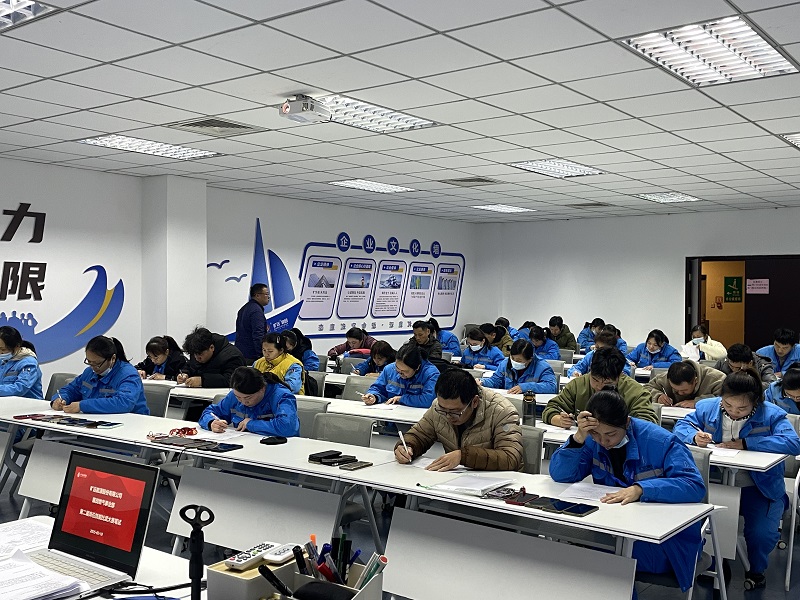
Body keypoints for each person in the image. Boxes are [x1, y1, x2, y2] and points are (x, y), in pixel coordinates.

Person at [550, 389, 705, 592]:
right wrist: (578, 437)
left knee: (603, 560)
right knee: (574, 554)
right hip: (615, 528)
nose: (603, 442)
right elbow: (561, 475)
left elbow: (693, 485)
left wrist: (641, 489)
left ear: (627, 422)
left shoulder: (661, 441)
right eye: (596, 434)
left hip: (666, 540)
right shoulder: (590, 438)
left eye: (610, 434)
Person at [673, 369, 800, 590]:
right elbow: (680, 427)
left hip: (759, 486)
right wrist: (694, 436)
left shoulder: (772, 414)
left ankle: (756, 570)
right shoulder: (707, 407)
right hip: (716, 483)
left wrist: (748, 443)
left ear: (756, 402)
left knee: (761, 535)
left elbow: (793, 443)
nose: (734, 412)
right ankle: (716, 562)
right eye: (728, 405)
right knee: (704, 524)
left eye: (742, 409)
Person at [394, 369, 522, 471]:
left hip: (498, 482)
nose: (448, 416)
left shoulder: (502, 411)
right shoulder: (439, 407)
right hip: (455, 480)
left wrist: (463, 456)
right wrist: (407, 446)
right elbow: (420, 435)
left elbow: (510, 458)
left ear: (474, 402)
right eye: (443, 410)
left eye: (455, 412)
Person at [543, 347, 656, 428]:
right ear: (590, 371)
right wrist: (561, 420)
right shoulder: (578, 385)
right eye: (595, 380)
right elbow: (551, 408)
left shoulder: (636, 392)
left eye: (607, 383)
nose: (599, 387)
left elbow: (648, 423)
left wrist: (615, 425)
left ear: (620, 376)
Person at [52, 336, 148, 415]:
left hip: (129, 424)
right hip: (95, 422)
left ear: (112, 358)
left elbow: (124, 402)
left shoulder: (128, 375)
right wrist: (60, 399)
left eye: (97, 363)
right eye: (89, 362)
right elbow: (71, 389)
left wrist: (82, 406)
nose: (93, 367)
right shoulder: (89, 372)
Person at [199, 366, 299, 437]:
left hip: (277, 450)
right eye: (238, 398)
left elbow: (288, 427)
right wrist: (211, 422)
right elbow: (211, 412)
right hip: (244, 447)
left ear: (262, 389)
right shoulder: (234, 395)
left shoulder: (281, 396)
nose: (243, 402)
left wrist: (251, 424)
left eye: (248, 398)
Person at [362, 344, 439, 408]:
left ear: (417, 367)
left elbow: (429, 400)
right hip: (390, 416)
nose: (400, 374)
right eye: (398, 369)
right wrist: (374, 396)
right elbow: (378, 388)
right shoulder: (389, 369)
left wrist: (402, 399)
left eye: (405, 371)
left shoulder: (431, 374)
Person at [481, 339, 557, 394]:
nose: (514, 362)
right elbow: (495, 381)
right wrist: (482, 382)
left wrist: (525, 387)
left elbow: (551, 387)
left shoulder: (543, 367)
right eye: (512, 358)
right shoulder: (505, 363)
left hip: (532, 405)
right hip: (509, 402)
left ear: (530, 359)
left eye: (519, 360)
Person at [179, 326, 246, 388]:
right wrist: (185, 374)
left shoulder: (232, 356)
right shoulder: (196, 350)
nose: (196, 358)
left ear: (211, 347)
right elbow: (190, 366)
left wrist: (202, 381)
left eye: (200, 354)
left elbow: (231, 379)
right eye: (194, 354)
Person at [645, 360, 725, 408]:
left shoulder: (716, 379)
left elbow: (724, 399)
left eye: (684, 390)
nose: (680, 393)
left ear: (695, 381)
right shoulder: (666, 377)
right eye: (675, 390)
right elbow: (646, 388)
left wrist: (698, 403)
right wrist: (658, 396)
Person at [0, 326, 42, 399]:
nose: (0, 352)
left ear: (17, 346)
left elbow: (19, 389)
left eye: (3, 349)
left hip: (29, 404)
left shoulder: (29, 363)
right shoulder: (3, 360)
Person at [567, 331, 631, 378]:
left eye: (600, 348)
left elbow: (625, 376)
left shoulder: (618, 358)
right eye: (596, 347)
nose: (596, 350)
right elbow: (575, 368)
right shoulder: (591, 355)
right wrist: (575, 372)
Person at [234, 283, 270, 364]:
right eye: (266, 294)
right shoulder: (256, 311)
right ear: (257, 295)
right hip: (252, 356)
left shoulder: (244, 308)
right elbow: (258, 335)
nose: (268, 297)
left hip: (241, 353)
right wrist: (262, 356)